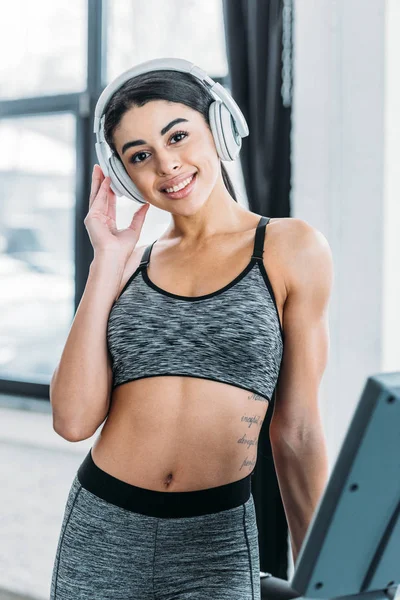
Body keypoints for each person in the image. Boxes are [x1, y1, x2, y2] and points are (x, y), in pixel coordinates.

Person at [49, 61, 332, 599]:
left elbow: (295, 432)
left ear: (219, 128)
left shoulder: (292, 248)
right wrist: (105, 261)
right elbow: (72, 418)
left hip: (217, 540)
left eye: (177, 135)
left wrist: (326, 581)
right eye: (139, 155)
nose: (167, 165)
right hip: (103, 526)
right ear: (124, 174)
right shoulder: (129, 265)